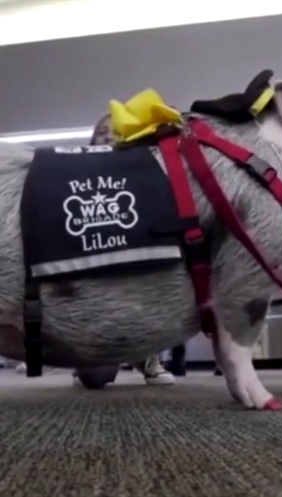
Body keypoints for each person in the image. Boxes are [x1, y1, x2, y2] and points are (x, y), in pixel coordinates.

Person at [70, 114, 177, 386]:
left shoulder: (140, 167)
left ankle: (150, 363)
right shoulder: (75, 171)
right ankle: (83, 361)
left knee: (147, 299)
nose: (107, 135)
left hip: (133, 260)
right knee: (95, 378)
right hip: (94, 265)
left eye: (114, 132)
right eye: (101, 131)